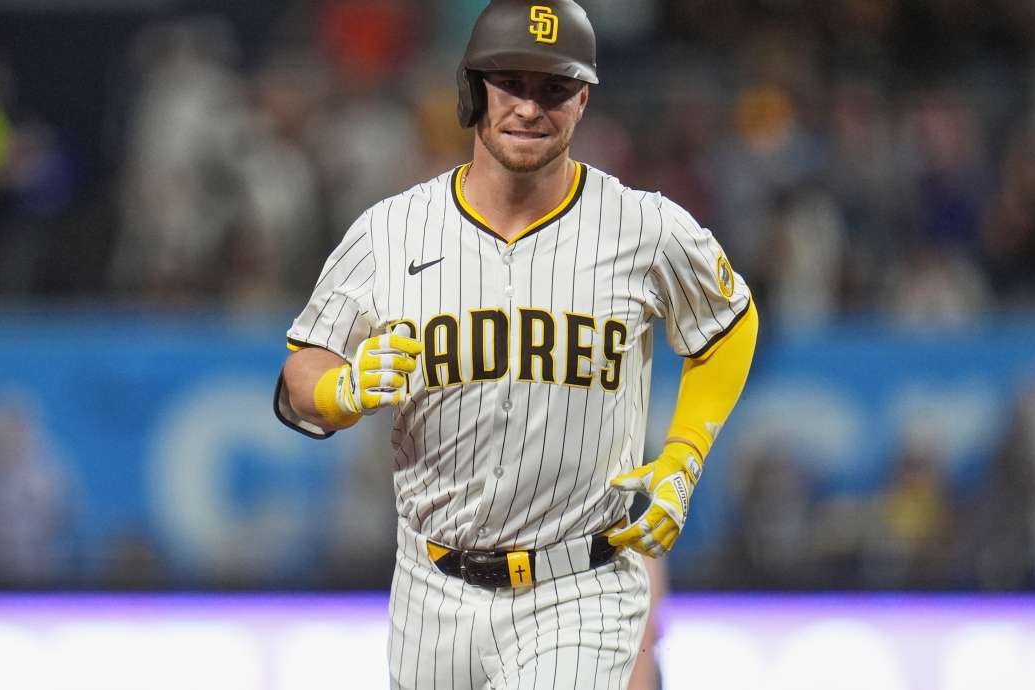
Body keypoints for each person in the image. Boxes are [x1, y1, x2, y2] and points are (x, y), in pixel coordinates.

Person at [274, 1, 758, 687]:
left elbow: (730, 322)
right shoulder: (390, 232)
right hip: (429, 585)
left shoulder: (643, 228)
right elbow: (301, 372)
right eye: (512, 84)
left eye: (554, 89)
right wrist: (340, 389)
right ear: (473, 90)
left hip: (578, 583)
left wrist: (684, 453)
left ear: (583, 99)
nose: (531, 107)